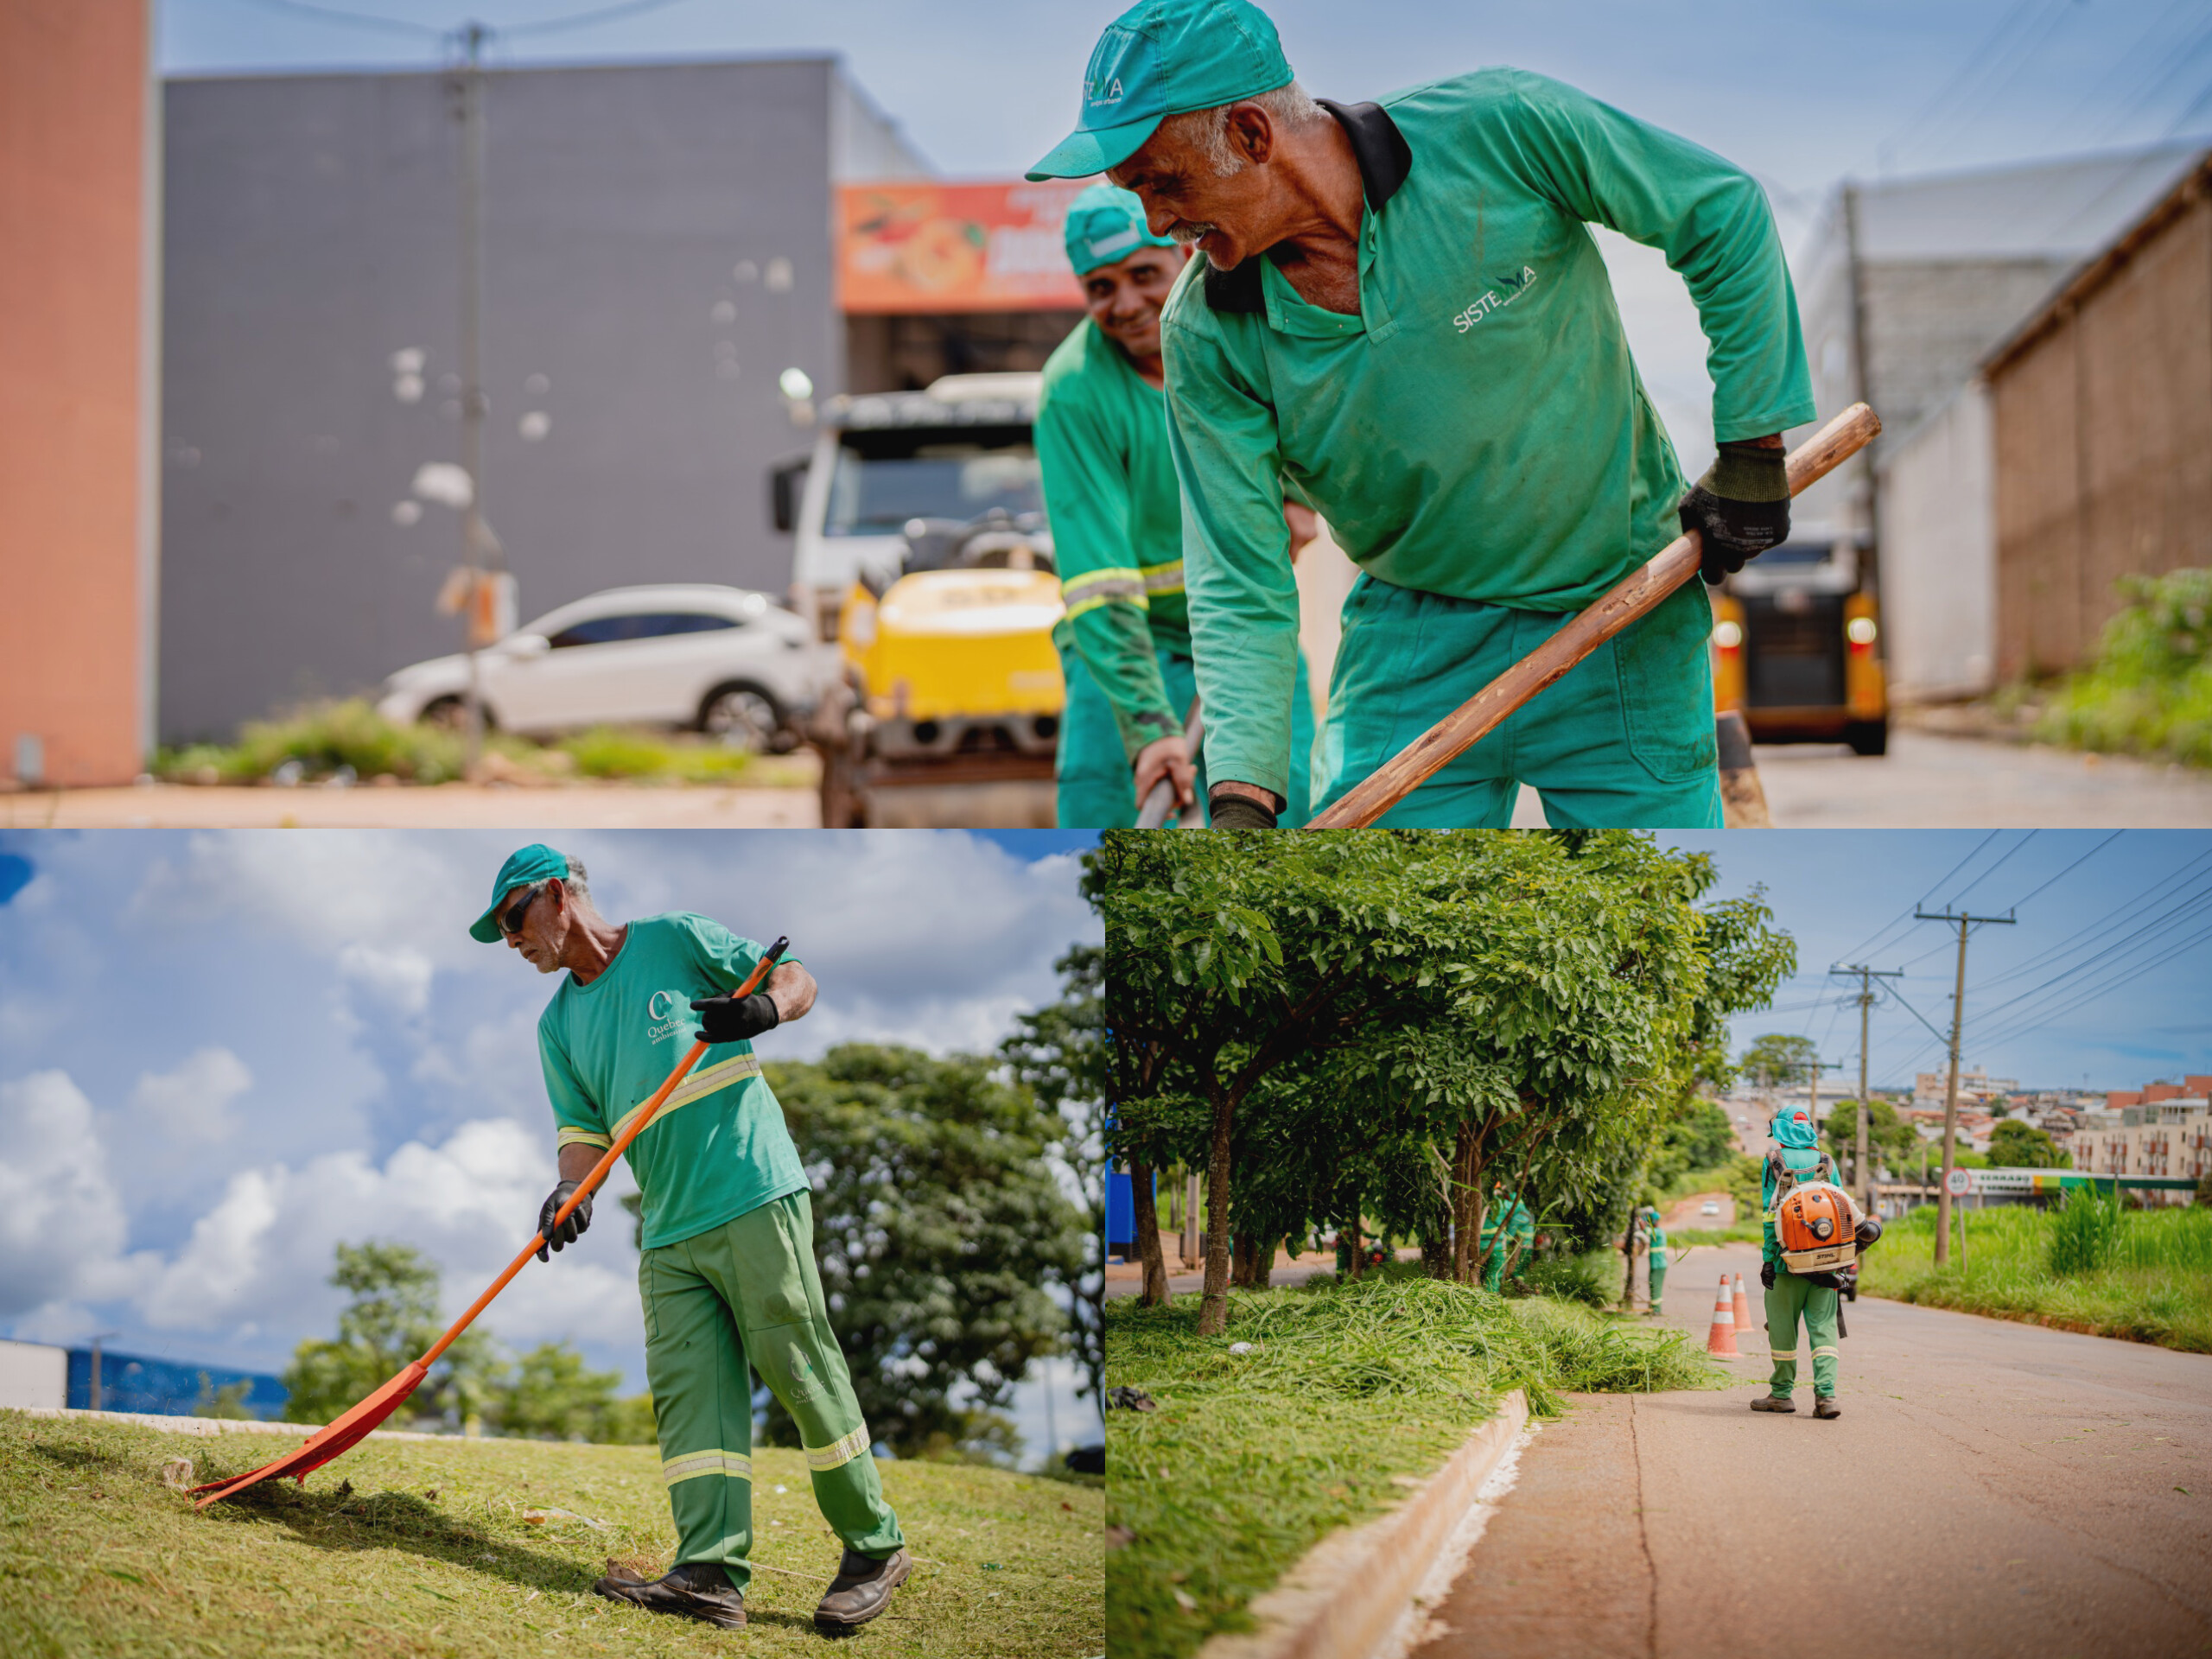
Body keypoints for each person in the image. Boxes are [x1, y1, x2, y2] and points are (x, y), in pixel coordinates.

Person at [1027, 0, 1815, 830]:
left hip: (1619, 611)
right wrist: (1244, 792)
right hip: (1413, 645)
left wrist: (1753, 449)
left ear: (1254, 136)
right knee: (1373, 941)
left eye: (1164, 181)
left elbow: (1719, 213)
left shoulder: (1504, 130)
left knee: (1659, 926)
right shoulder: (1207, 331)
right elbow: (1239, 574)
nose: (1155, 222)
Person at [473, 844, 909, 1630]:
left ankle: (875, 1546)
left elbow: (797, 976)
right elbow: (583, 1132)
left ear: (554, 895)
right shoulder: (557, 1024)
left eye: (512, 918)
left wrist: (764, 1011)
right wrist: (572, 1190)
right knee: (691, 1401)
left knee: (800, 1369)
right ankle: (708, 1573)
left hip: (750, 1191)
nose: (511, 940)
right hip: (668, 1227)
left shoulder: (677, 939)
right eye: (502, 930)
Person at [1038, 181, 1318, 826]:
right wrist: (1148, 729)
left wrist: (1296, 499)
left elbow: (1303, 413)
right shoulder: (1075, 392)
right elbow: (1097, 584)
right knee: (1107, 830)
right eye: (1100, 288)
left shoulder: (1238, 333)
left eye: (1142, 274)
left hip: (1246, 627)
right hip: (1124, 652)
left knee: (1287, 811)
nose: (1127, 303)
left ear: (1184, 256)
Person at [1754, 1103, 1842, 1420]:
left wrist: (1768, 1260)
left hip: (1785, 1263)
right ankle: (1826, 1397)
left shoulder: (1774, 1160)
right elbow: (1842, 1209)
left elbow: (1769, 1214)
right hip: (1825, 1262)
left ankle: (1781, 1395)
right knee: (1824, 1330)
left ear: (1780, 1129)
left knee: (1781, 1329)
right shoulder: (1826, 1160)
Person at [1478, 1187, 1534, 1293]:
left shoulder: (1478, 1203)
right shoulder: (1503, 1204)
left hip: (1479, 1244)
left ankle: (1475, 1293)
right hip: (1496, 1245)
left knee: (1476, 1271)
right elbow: (1518, 1206)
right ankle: (1491, 1296)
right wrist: (1510, 1194)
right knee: (1494, 1273)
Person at [1643, 1205, 1671, 1315]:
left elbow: (1645, 1230)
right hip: (1657, 1265)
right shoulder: (1658, 1231)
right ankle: (1653, 1308)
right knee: (1653, 1285)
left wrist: (1641, 1219)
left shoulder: (1657, 1232)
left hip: (1659, 1266)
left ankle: (1656, 1310)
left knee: (1655, 1286)